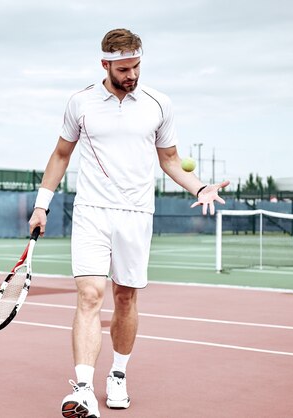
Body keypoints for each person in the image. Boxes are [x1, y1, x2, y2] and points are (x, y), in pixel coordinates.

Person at [28, 28, 230, 418]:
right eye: (123, 68)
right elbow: (60, 154)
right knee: (89, 295)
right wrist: (42, 206)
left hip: (137, 214)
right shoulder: (80, 103)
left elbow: (170, 160)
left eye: (136, 66)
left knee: (125, 297)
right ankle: (84, 390)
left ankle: (118, 374)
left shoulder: (159, 104)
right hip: (91, 211)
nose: (132, 74)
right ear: (105, 64)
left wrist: (200, 186)